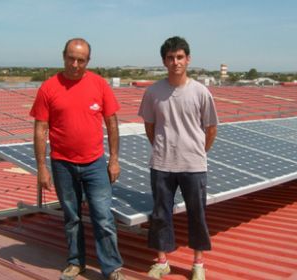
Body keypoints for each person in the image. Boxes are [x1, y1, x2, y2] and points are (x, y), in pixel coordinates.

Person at [30, 38, 126, 280]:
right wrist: (41, 167)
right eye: (71, 58)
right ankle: (76, 263)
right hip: (62, 164)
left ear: (88, 61)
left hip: (95, 164)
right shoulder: (48, 88)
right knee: (71, 217)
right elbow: (40, 129)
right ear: (63, 56)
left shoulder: (100, 85)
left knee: (103, 218)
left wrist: (114, 159)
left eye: (80, 60)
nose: (75, 64)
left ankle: (111, 268)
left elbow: (112, 123)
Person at [138, 36, 218, 280]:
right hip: (162, 164)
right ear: (164, 61)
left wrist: (196, 151)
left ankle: (198, 264)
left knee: (197, 214)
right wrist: (163, 148)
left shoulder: (201, 92)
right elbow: (150, 126)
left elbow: (211, 128)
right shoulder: (153, 92)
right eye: (171, 58)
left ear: (188, 59)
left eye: (180, 57)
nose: (175, 62)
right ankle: (162, 261)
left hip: (193, 165)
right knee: (161, 214)